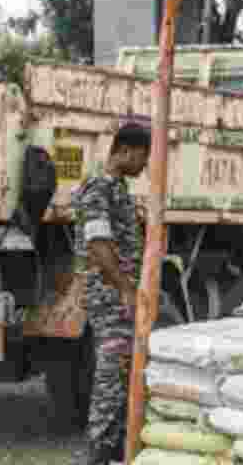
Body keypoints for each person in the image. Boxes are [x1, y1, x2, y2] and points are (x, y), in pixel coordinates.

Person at [73, 122, 152, 465]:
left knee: (122, 372)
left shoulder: (117, 188)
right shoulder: (98, 188)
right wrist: (125, 289)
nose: (144, 165)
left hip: (117, 296)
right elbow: (98, 244)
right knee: (110, 376)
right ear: (125, 151)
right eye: (143, 157)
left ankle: (114, 448)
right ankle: (99, 452)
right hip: (109, 297)